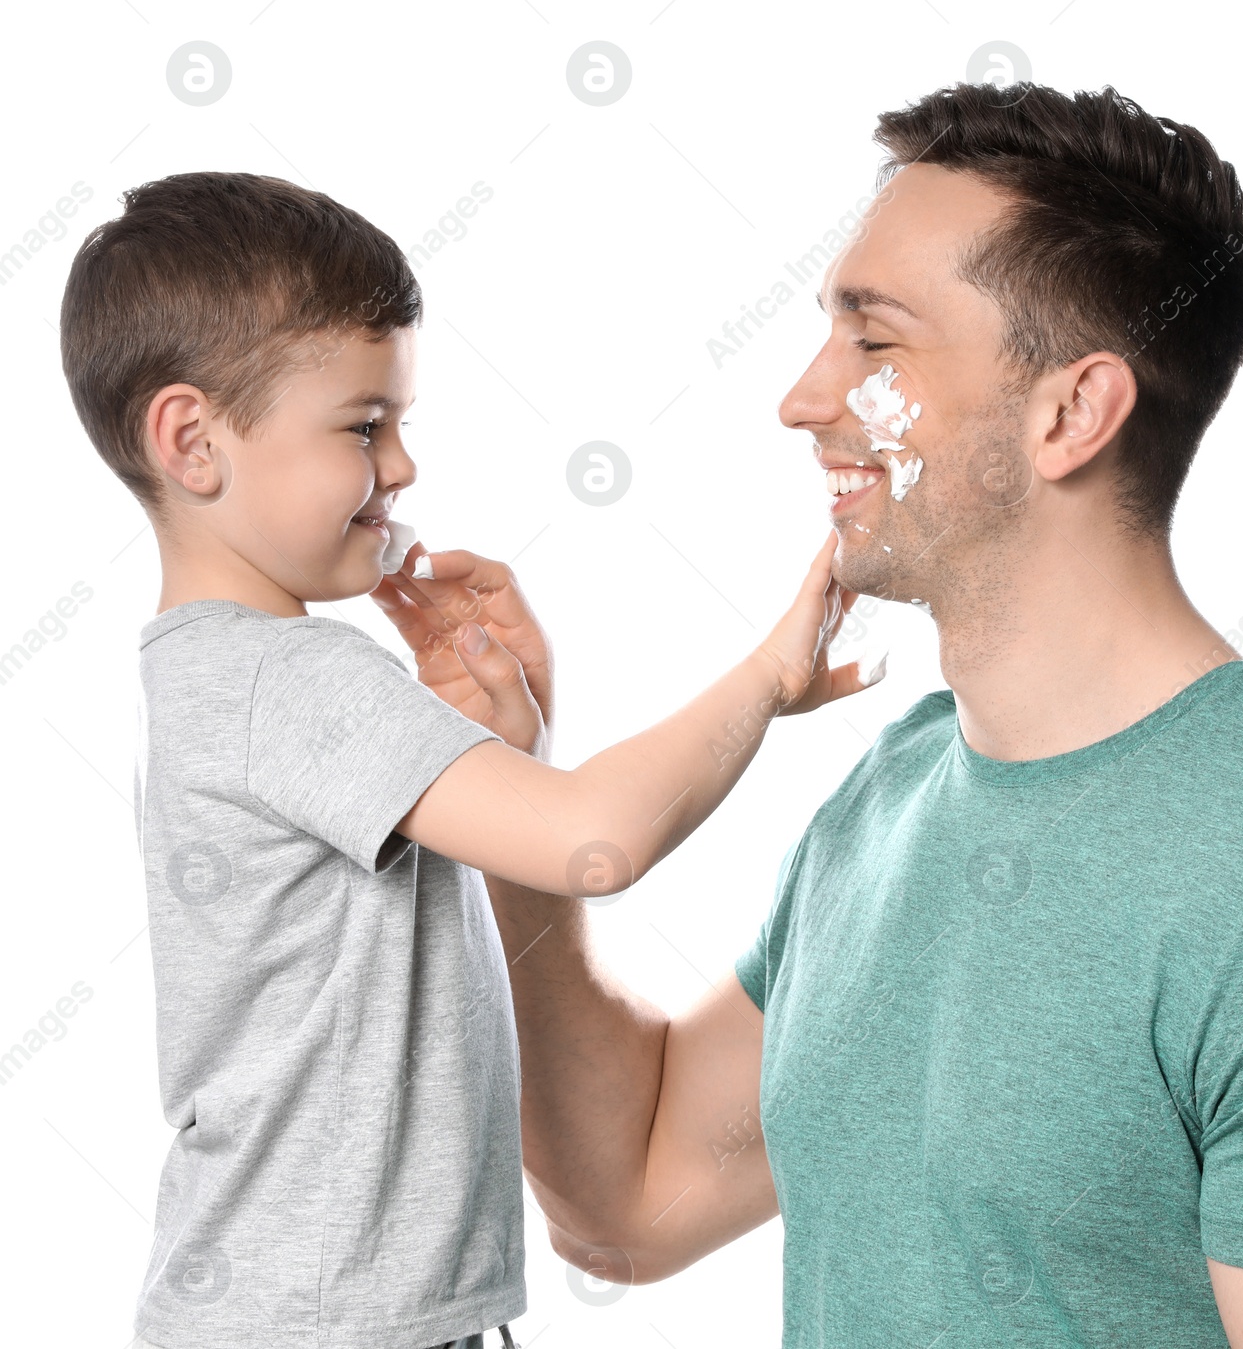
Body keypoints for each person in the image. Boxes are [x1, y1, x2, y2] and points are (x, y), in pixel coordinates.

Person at [404, 84, 1243, 1346]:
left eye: (874, 344)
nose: (800, 398)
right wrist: (516, 809)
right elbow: (630, 1200)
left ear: (1069, 413)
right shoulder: (893, 798)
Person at [60, 171, 871, 1349]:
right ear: (191, 441)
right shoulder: (293, 679)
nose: (401, 468)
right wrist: (770, 676)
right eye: (361, 426)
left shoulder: (204, 678)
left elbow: (523, 845)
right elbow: (595, 841)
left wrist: (504, 753)